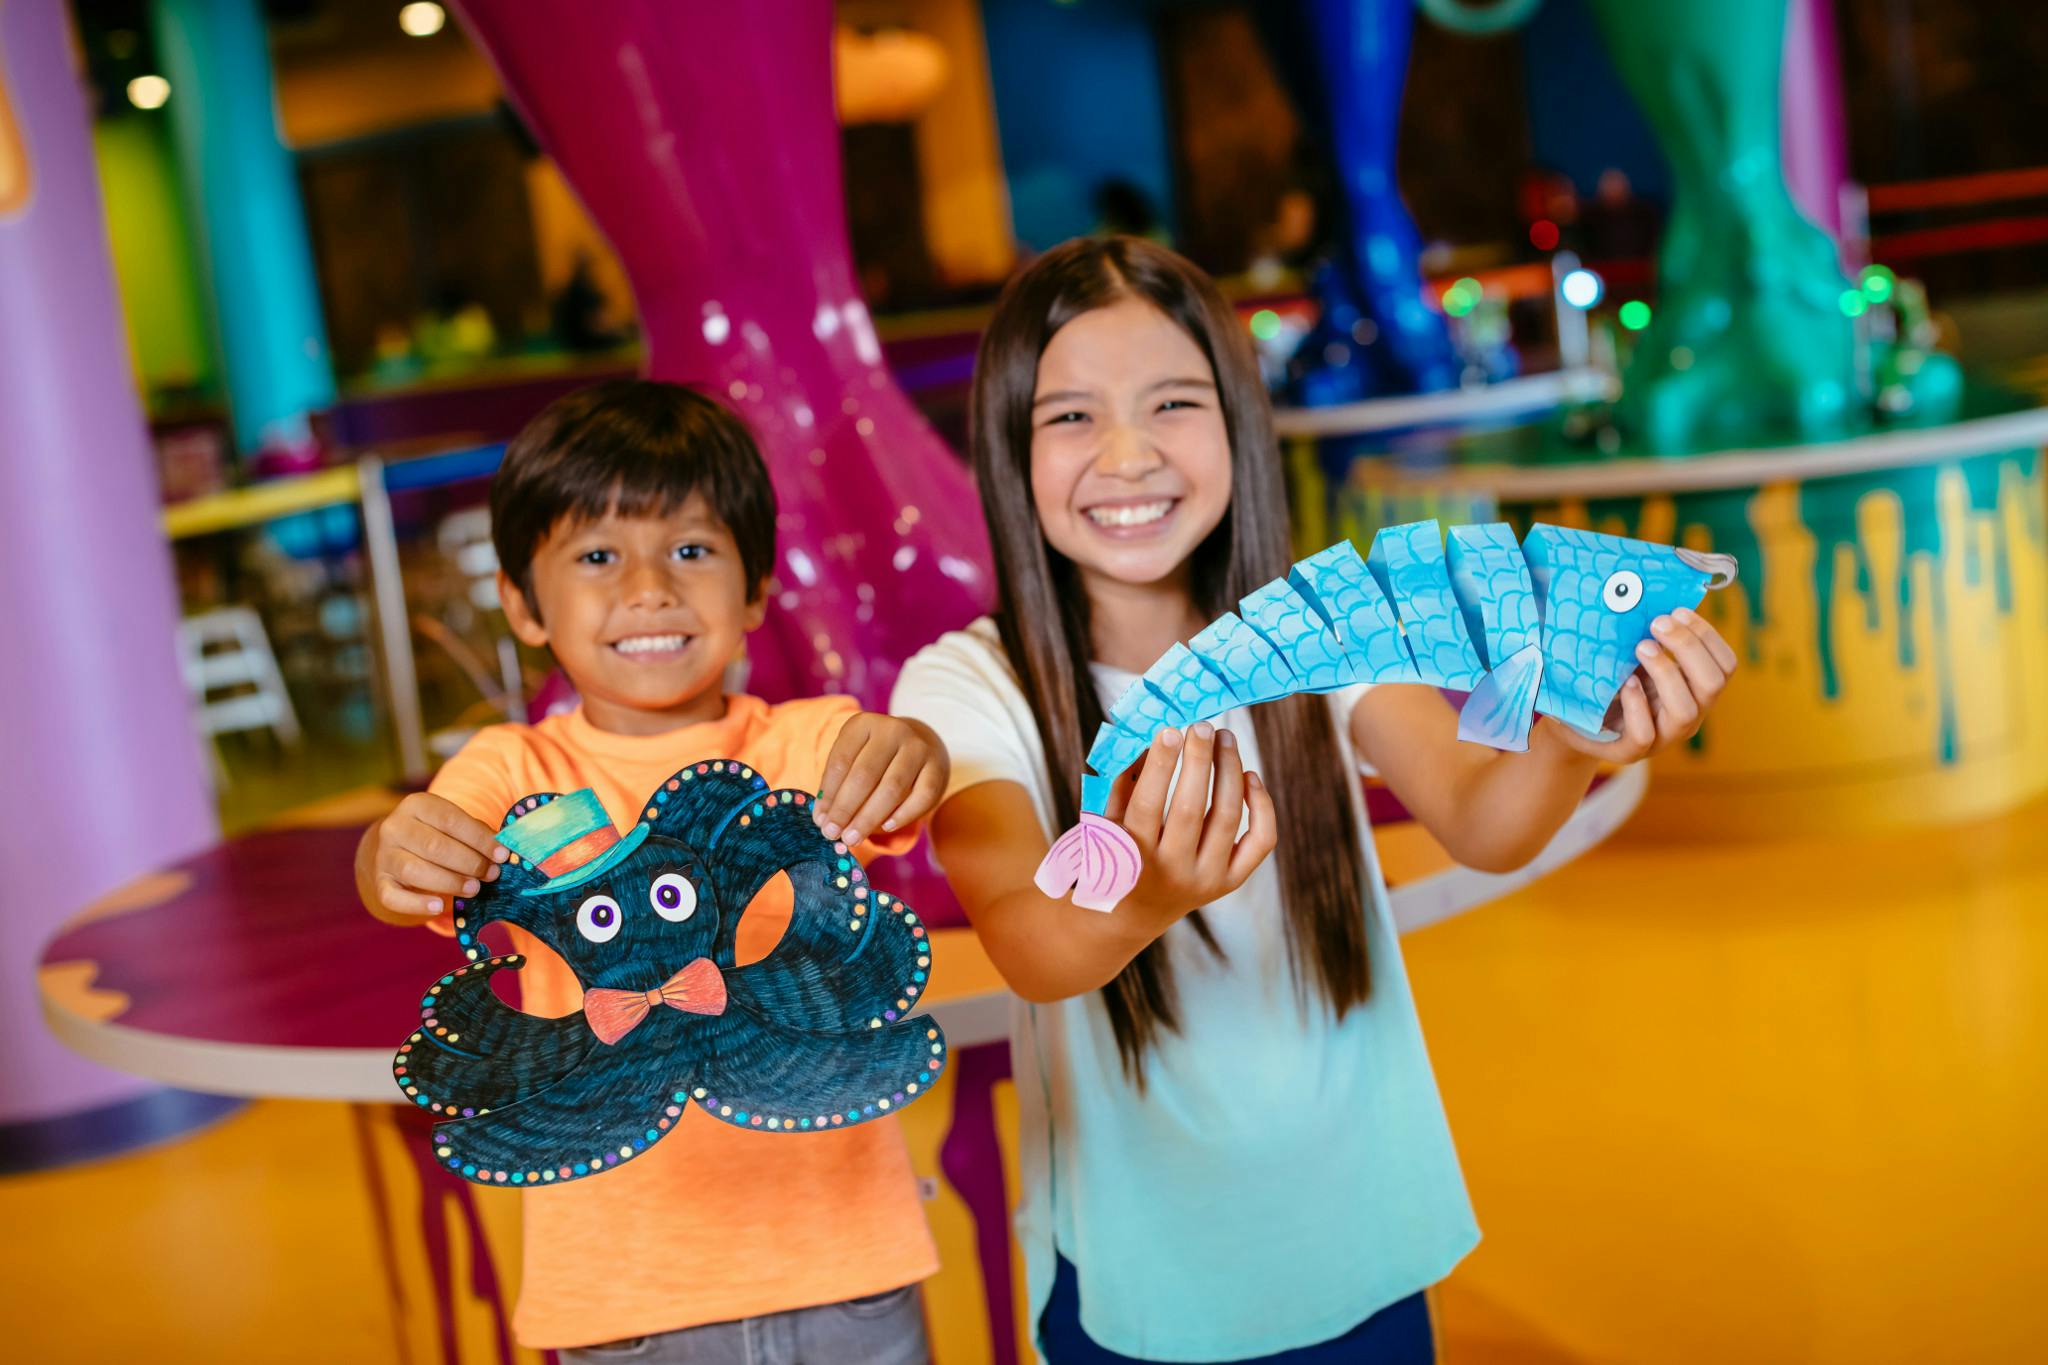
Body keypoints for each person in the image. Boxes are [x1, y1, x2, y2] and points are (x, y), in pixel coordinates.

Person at [891, 236, 1737, 1363]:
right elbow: (1033, 948)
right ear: (1005, 449)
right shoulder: (963, 686)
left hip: (1363, 1242)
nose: (1129, 454)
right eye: (1070, 417)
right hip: (1144, 1284)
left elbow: (1484, 819)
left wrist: (1576, 742)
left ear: (1240, 424)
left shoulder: (1330, 631)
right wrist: (1143, 898)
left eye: (1173, 402)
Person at [356, 379, 949, 1363]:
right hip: (625, 1305)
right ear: (521, 602)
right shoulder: (511, 772)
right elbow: (402, 863)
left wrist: (911, 749)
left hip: (847, 1272)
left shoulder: (808, 742)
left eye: (690, 549)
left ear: (754, 590)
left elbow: (901, 770)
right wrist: (395, 849)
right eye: (596, 555)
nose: (648, 589)